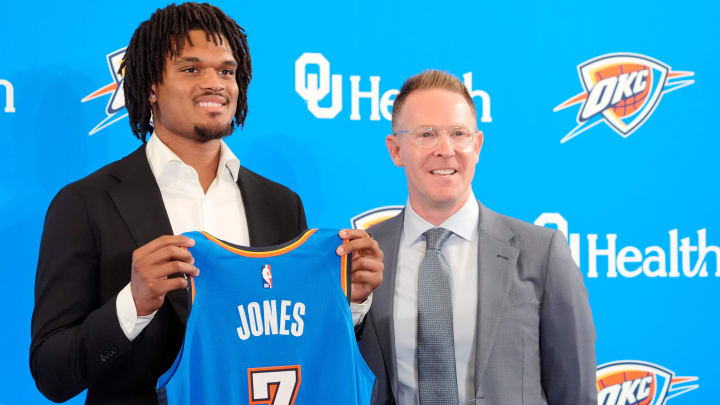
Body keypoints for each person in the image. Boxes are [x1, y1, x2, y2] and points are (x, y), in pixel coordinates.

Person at [29, 3, 382, 404]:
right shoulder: (84, 203)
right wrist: (134, 304)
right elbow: (52, 374)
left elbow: (297, 342)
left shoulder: (281, 204)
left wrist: (349, 302)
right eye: (191, 69)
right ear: (150, 87)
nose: (214, 83)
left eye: (226, 71)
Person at [358, 70, 596, 404]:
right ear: (396, 150)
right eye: (426, 134)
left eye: (458, 133)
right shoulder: (363, 256)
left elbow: (576, 393)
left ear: (477, 145)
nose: (446, 149)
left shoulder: (542, 253)